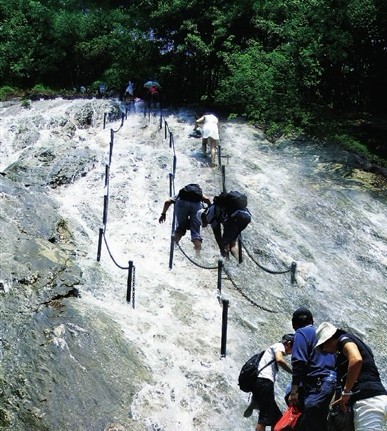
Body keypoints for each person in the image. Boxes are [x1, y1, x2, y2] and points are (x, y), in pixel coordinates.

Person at [315, 321, 387, 430]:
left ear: (328, 340)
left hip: (367, 401)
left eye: (323, 347)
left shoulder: (343, 340)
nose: (325, 351)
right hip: (374, 398)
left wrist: (346, 392)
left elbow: (356, 360)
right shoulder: (354, 343)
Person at [289, 308, 336, 431]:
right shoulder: (322, 334)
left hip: (317, 384)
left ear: (293, 324)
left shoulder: (301, 333)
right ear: (312, 320)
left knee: (308, 423)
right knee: (318, 422)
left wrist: (294, 390)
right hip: (331, 382)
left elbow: (299, 361)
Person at [244, 334, 295, 431]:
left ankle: (255, 402)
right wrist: (292, 372)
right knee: (264, 418)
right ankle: (255, 402)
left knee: (276, 418)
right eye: (293, 348)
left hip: (260, 383)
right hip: (264, 382)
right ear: (288, 343)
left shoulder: (270, 351)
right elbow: (280, 359)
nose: (291, 352)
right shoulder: (279, 346)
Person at [159, 184, 211, 255]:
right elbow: (207, 200)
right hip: (197, 205)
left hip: (182, 203)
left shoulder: (181, 194)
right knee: (195, 232)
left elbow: (167, 202)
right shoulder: (198, 195)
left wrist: (163, 214)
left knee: (180, 228)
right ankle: (198, 255)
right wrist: (209, 211)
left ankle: (172, 250)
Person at [197, 192, 251, 259]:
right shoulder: (216, 207)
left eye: (204, 222)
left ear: (203, 216)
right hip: (247, 217)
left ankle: (227, 264)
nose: (206, 223)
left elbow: (218, 237)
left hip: (235, 218)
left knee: (225, 244)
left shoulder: (209, 216)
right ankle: (240, 263)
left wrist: (222, 250)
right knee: (233, 246)